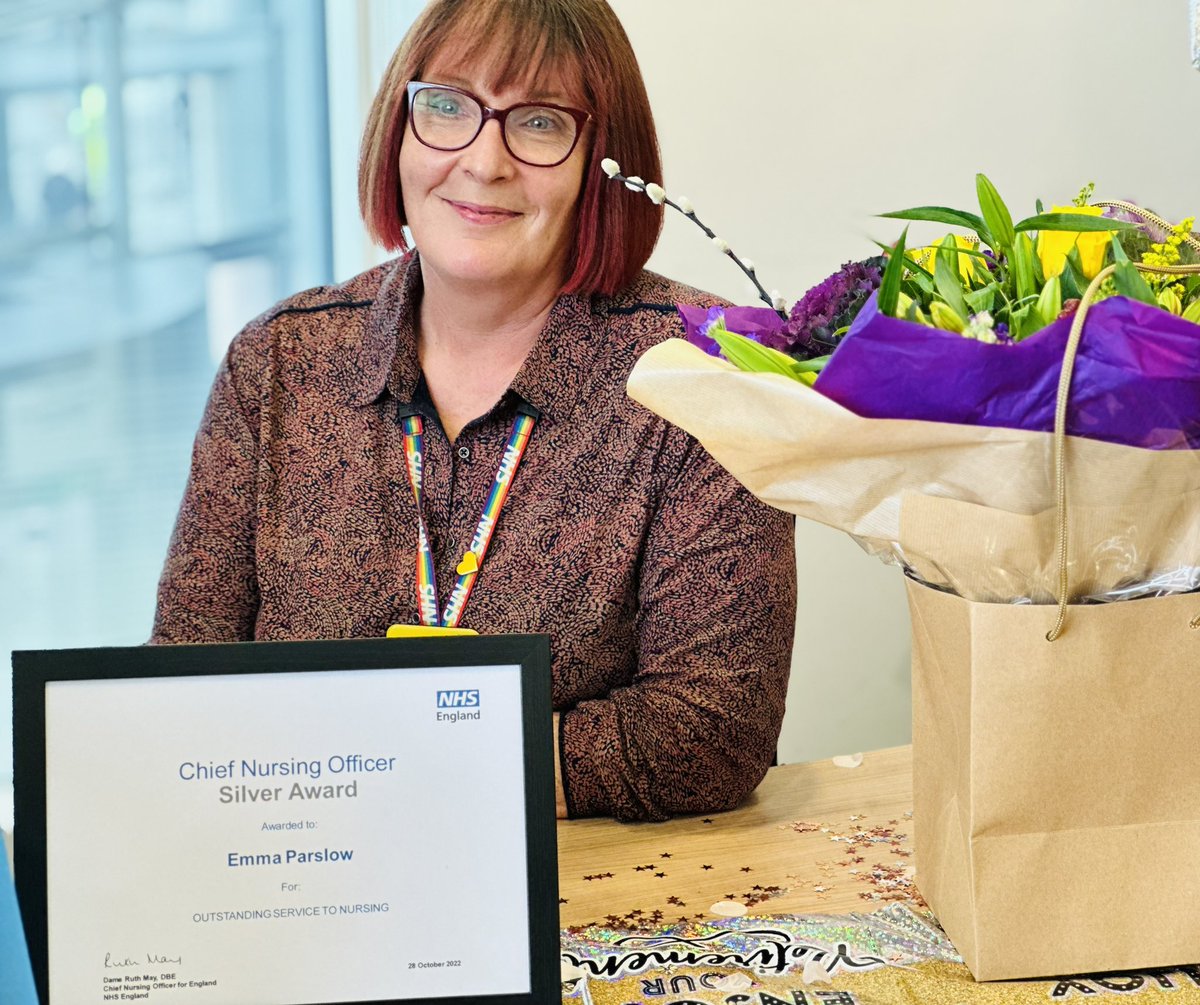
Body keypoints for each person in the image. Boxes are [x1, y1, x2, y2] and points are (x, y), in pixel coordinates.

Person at [152, 0, 796, 822]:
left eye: (537, 121)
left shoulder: (704, 373)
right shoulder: (277, 364)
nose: (483, 160)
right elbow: (179, 690)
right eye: (448, 106)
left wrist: (386, 775)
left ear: (605, 160)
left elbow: (712, 731)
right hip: (302, 885)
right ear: (399, 128)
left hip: (594, 901)